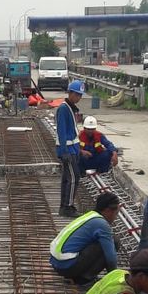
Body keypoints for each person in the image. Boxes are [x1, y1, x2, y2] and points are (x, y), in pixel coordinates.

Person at [50, 193, 121, 285]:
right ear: (108, 211)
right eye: (116, 214)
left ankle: (77, 274)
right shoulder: (102, 224)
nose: (115, 218)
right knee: (114, 241)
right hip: (66, 266)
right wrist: (115, 279)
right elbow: (111, 258)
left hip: (57, 263)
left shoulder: (90, 216)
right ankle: (85, 279)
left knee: (104, 241)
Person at [56, 79, 86, 217]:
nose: (79, 98)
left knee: (68, 178)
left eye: (80, 95)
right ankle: (67, 206)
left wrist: (78, 149)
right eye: (77, 95)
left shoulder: (70, 108)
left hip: (73, 149)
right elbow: (61, 132)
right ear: (71, 93)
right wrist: (64, 151)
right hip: (67, 150)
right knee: (74, 178)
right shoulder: (63, 108)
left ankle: (65, 205)